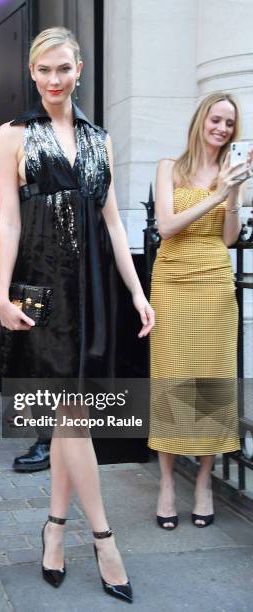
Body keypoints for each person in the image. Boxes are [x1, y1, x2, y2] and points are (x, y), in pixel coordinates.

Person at [0, 28, 154, 602]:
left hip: (91, 292)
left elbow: (112, 223)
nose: (54, 80)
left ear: (79, 68)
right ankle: (105, 538)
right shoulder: (11, 136)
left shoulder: (99, 140)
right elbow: (7, 220)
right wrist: (1, 292)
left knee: (68, 419)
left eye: (63, 68)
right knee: (73, 419)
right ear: (32, 74)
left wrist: (136, 292)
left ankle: (54, 529)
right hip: (40, 289)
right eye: (43, 70)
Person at [148, 92, 252, 530]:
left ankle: (205, 480)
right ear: (201, 120)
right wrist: (216, 194)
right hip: (172, 280)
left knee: (209, 380)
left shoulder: (234, 175)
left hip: (212, 280)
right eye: (217, 119)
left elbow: (228, 239)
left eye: (230, 123)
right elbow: (166, 226)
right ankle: (169, 483)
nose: (222, 128)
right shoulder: (168, 167)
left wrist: (234, 194)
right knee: (172, 378)